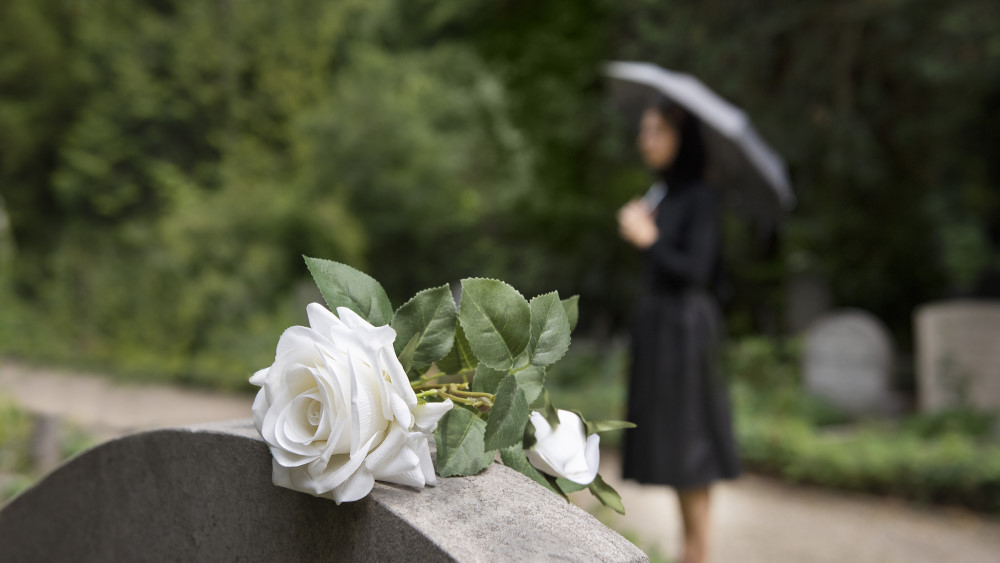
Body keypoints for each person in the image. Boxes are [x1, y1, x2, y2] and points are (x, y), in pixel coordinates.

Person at [617, 98, 740, 563]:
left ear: (681, 138)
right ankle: (691, 549)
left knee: (691, 445)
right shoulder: (662, 194)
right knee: (672, 443)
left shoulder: (700, 196)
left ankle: (697, 551)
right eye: (644, 131)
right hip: (660, 327)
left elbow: (697, 270)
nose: (644, 140)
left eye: (656, 132)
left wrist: (650, 240)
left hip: (686, 330)